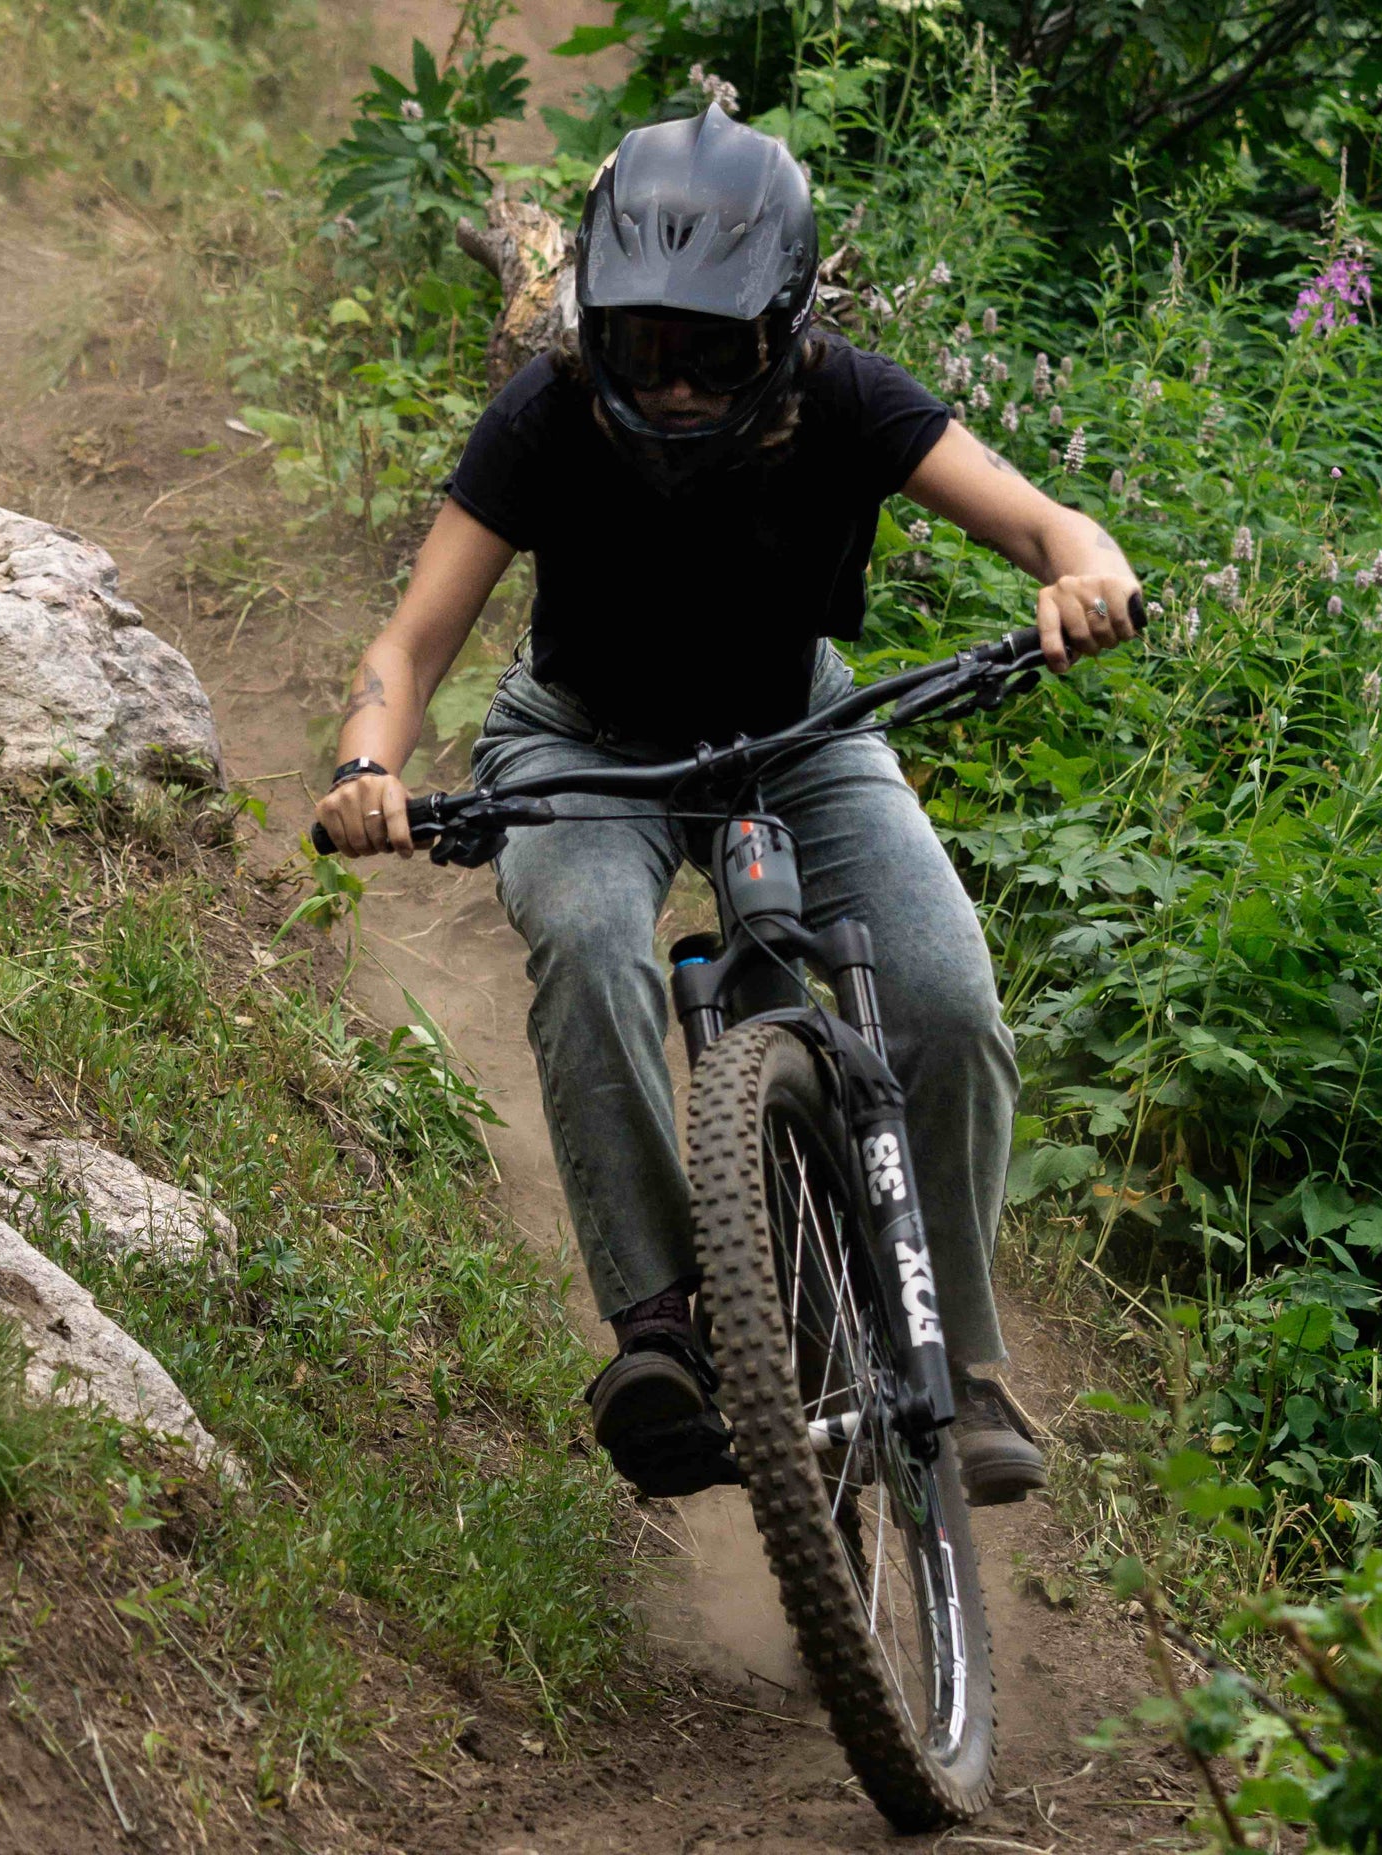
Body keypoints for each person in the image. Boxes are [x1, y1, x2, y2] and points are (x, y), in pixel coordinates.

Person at [315, 105, 1141, 1506]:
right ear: (590, 328)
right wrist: (365, 771)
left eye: (713, 352)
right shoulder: (547, 416)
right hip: (582, 741)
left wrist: (1085, 575)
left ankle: (955, 1348)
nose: (679, 387)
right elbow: (408, 650)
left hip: (801, 730)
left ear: (784, 329)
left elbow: (1046, 523)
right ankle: (667, 1326)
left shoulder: (855, 398)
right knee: (584, 938)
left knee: (943, 995)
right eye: (644, 347)